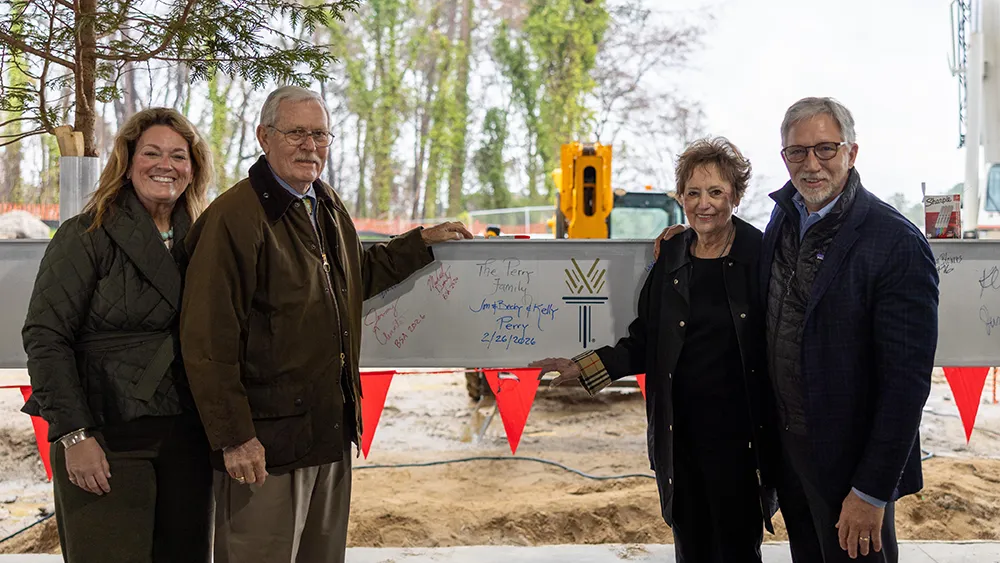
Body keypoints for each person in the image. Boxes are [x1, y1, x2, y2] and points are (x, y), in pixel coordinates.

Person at [179, 85, 473, 563]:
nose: (309, 145)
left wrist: (419, 242)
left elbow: (355, 273)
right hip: (266, 446)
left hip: (327, 433)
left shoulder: (324, 204)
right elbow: (207, 340)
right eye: (295, 132)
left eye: (319, 134)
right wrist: (234, 437)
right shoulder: (234, 218)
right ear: (263, 136)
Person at [655, 98, 939, 562]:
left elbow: (906, 385)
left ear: (852, 152)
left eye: (825, 149)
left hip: (851, 464)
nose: (811, 164)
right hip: (789, 452)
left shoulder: (895, 243)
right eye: (797, 152)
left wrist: (870, 491)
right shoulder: (786, 218)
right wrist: (686, 236)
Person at [532, 137, 778, 563]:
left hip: (741, 444)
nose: (705, 204)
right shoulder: (672, 256)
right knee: (691, 547)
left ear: (736, 196)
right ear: (680, 196)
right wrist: (583, 368)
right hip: (678, 439)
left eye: (716, 192)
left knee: (738, 549)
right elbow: (645, 340)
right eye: (694, 193)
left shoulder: (762, 255)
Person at [22, 108, 215, 562]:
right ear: (127, 163)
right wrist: (74, 435)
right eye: (151, 152)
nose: (165, 164)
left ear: (193, 168)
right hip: (105, 435)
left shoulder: (205, 239)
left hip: (187, 437)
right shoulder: (85, 235)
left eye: (178, 156)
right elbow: (46, 337)